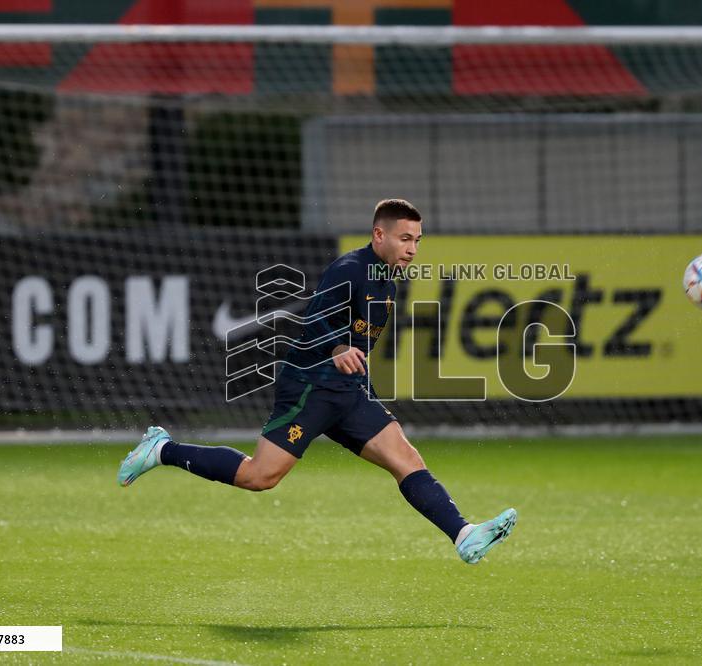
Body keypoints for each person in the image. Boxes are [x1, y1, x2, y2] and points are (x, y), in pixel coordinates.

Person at [117, 199, 516, 564]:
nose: (412, 249)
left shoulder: (386, 280)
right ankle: (162, 449)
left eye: (418, 240)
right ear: (379, 235)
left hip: (350, 390)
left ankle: (463, 534)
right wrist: (337, 347)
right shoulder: (350, 269)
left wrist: (357, 374)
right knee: (261, 477)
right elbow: (313, 318)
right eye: (405, 238)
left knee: (406, 460)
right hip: (310, 387)